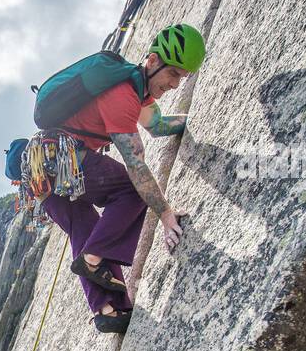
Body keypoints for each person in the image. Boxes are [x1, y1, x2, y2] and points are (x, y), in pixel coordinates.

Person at [41, 23, 204, 333]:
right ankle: (92, 261)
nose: (174, 84)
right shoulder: (122, 95)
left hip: (44, 177)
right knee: (132, 191)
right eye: (173, 74)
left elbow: (157, 126)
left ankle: (109, 311)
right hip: (64, 162)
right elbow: (136, 166)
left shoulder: (137, 95)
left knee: (88, 231)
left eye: (182, 78)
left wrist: (191, 121)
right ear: (153, 61)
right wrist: (166, 214)